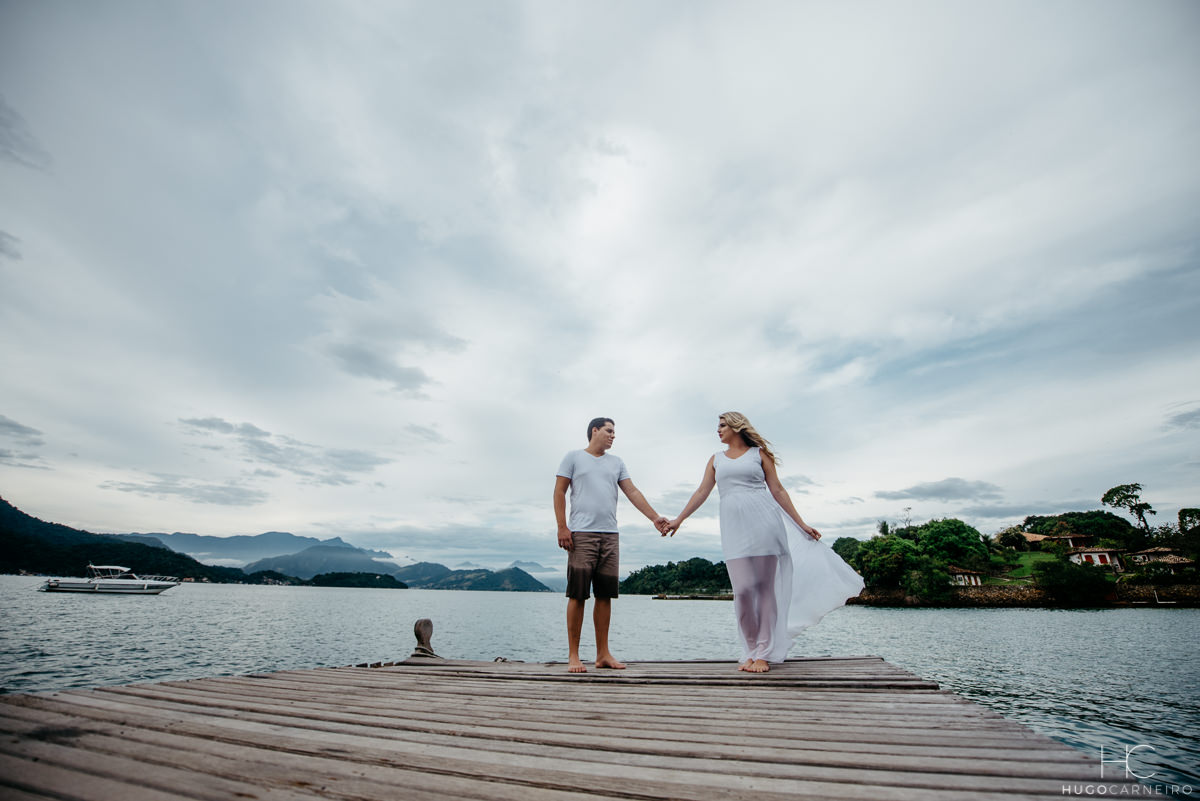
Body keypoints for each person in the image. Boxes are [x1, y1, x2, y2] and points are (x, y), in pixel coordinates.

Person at [663, 412, 864, 673]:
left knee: (765, 590)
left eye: (722, 425)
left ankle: (763, 653)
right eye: (718, 426)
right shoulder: (716, 460)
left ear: (736, 427)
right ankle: (749, 649)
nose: (718, 430)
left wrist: (801, 523)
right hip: (734, 530)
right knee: (744, 591)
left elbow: (778, 490)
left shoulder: (759, 455)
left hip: (766, 525)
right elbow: (702, 491)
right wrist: (679, 519)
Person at [555, 417, 669, 673]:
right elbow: (559, 491)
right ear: (594, 431)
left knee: (605, 595)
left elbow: (633, 492)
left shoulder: (616, 463)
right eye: (609, 431)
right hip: (581, 534)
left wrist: (654, 518)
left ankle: (603, 654)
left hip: (610, 535)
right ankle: (574, 655)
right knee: (577, 594)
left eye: (614, 432)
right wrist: (563, 527)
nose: (613, 436)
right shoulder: (573, 457)